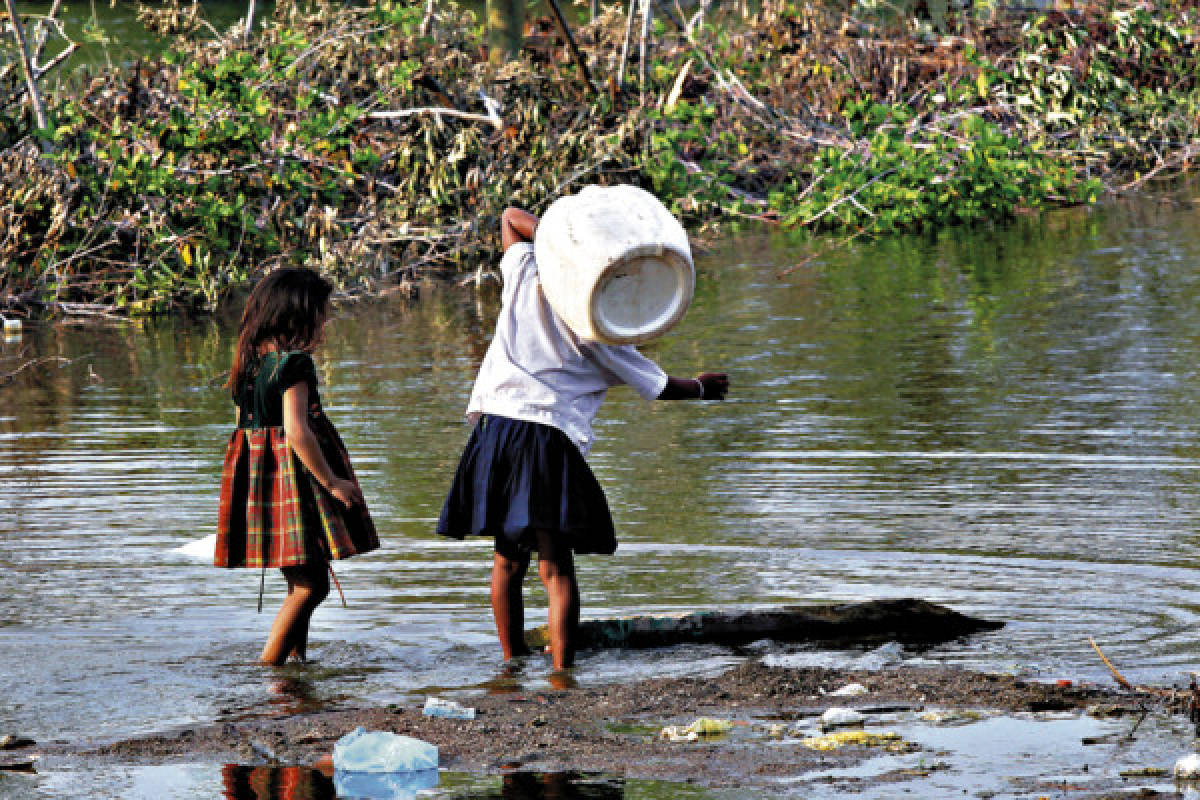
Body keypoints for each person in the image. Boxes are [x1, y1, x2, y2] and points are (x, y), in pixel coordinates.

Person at [437, 206, 729, 673]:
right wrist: (701, 388)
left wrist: (557, 238)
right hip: (546, 437)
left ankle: (511, 664)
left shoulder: (526, 273)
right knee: (555, 567)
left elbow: (511, 218)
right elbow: (655, 385)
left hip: (495, 427)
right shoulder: (596, 327)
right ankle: (561, 673)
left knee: (506, 560)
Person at [216, 267, 379, 666]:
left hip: (263, 486)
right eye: (321, 314)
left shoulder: (248, 363)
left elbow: (246, 430)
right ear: (298, 316)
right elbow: (296, 431)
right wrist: (332, 481)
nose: (324, 323)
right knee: (313, 586)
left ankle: (296, 664)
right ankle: (267, 669)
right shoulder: (295, 364)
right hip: (293, 483)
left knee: (300, 580)